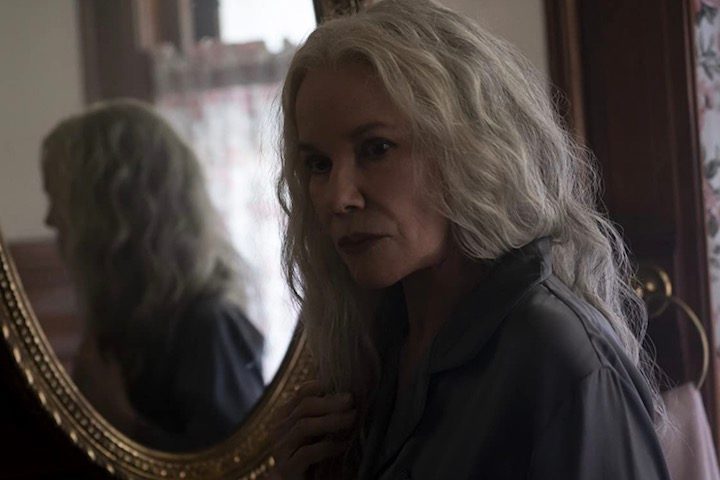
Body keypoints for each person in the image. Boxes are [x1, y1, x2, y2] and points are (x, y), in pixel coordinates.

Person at [270, 0, 671, 478]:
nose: (339, 198)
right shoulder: (372, 350)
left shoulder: (558, 358)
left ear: (468, 148)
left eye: (376, 149)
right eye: (318, 164)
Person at [41, 99, 265, 451]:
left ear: (109, 207)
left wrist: (121, 422)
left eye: (61, 200)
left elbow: (241, 465)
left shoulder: (209, 325)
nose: (50, 220)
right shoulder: (127, 321)